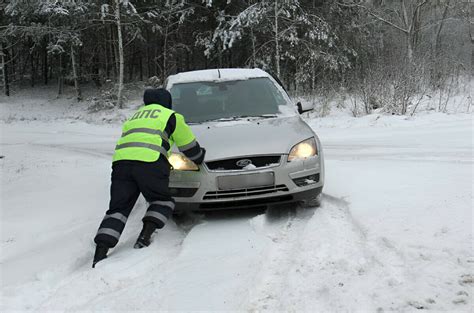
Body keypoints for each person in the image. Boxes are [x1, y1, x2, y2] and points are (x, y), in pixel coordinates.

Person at [92, 88, 205, 268]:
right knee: (162, 200)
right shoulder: (171, 116)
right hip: (150, 162)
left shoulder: (135, 116)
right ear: (167, 102)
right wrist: (199, 157)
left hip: (121, 165)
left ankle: (100, 251)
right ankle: (145, 237)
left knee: (118, 208)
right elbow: (189, 146)